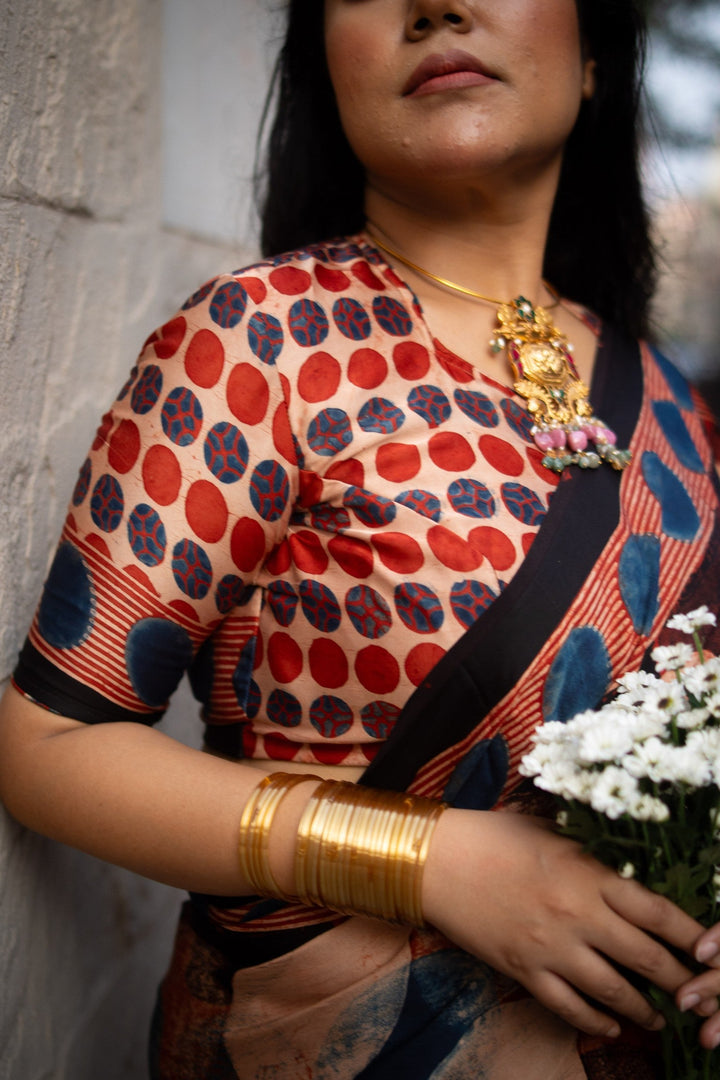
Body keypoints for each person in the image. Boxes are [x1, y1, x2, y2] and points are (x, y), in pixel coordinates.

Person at [1, 0, 720, 1076]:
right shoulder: (262, 342)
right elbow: (47, 749)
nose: (434, 2)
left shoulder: (676, 408)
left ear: (594, 61)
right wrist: (426, 862)